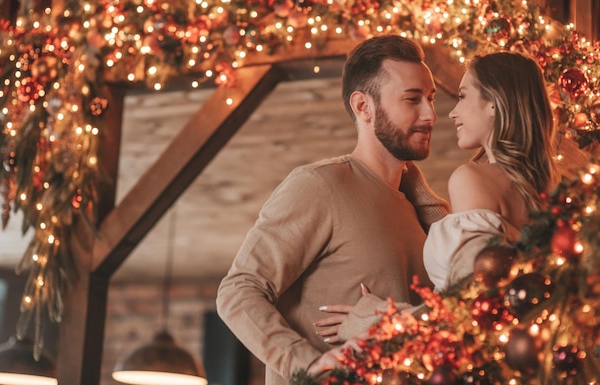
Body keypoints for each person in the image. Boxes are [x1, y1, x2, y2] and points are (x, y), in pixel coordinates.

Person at [216, 35, 450, 385]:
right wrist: (306, 365)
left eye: (430, 99)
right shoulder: (319, 185)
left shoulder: (416, 209)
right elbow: (238, 290)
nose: (431, 114)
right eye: (412, 99)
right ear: (363, 106)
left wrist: (415, 184)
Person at [310, 50, 560, 373]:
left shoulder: (472, 179)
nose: (450, 113)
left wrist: (374, 320)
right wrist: (418, 189)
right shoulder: (549, 193)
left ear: (494, 103)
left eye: (462, 96)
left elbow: (468, 310)